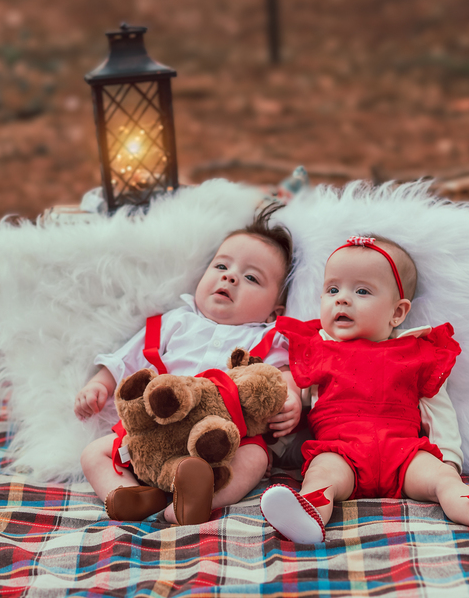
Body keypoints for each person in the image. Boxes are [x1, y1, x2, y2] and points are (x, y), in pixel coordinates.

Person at [260, 236, 469, 544]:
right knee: (321, 477)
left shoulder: (417, 352)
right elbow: (294, 396)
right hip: (340, 451)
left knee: (443, 480)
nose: (342, 299)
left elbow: (439, 411)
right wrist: (288, 412)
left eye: (362, 291)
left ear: (398, 312)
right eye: (332, 289)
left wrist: (448, 462)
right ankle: (308, 516)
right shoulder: (317, 348)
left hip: (404, 454)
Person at [76, 205, 302, 525]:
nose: (230, 276)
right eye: (221, 265)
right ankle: (127, 495)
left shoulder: (264, 338)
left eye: (251, 277)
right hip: (156, 429)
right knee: (93, 454)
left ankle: (195, 501)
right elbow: (126, 358)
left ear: (273, 311)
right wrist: (99, 384)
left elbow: (281, 379)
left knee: (256, 458)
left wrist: (291, 400)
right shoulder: (175, 322)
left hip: (224, 439)